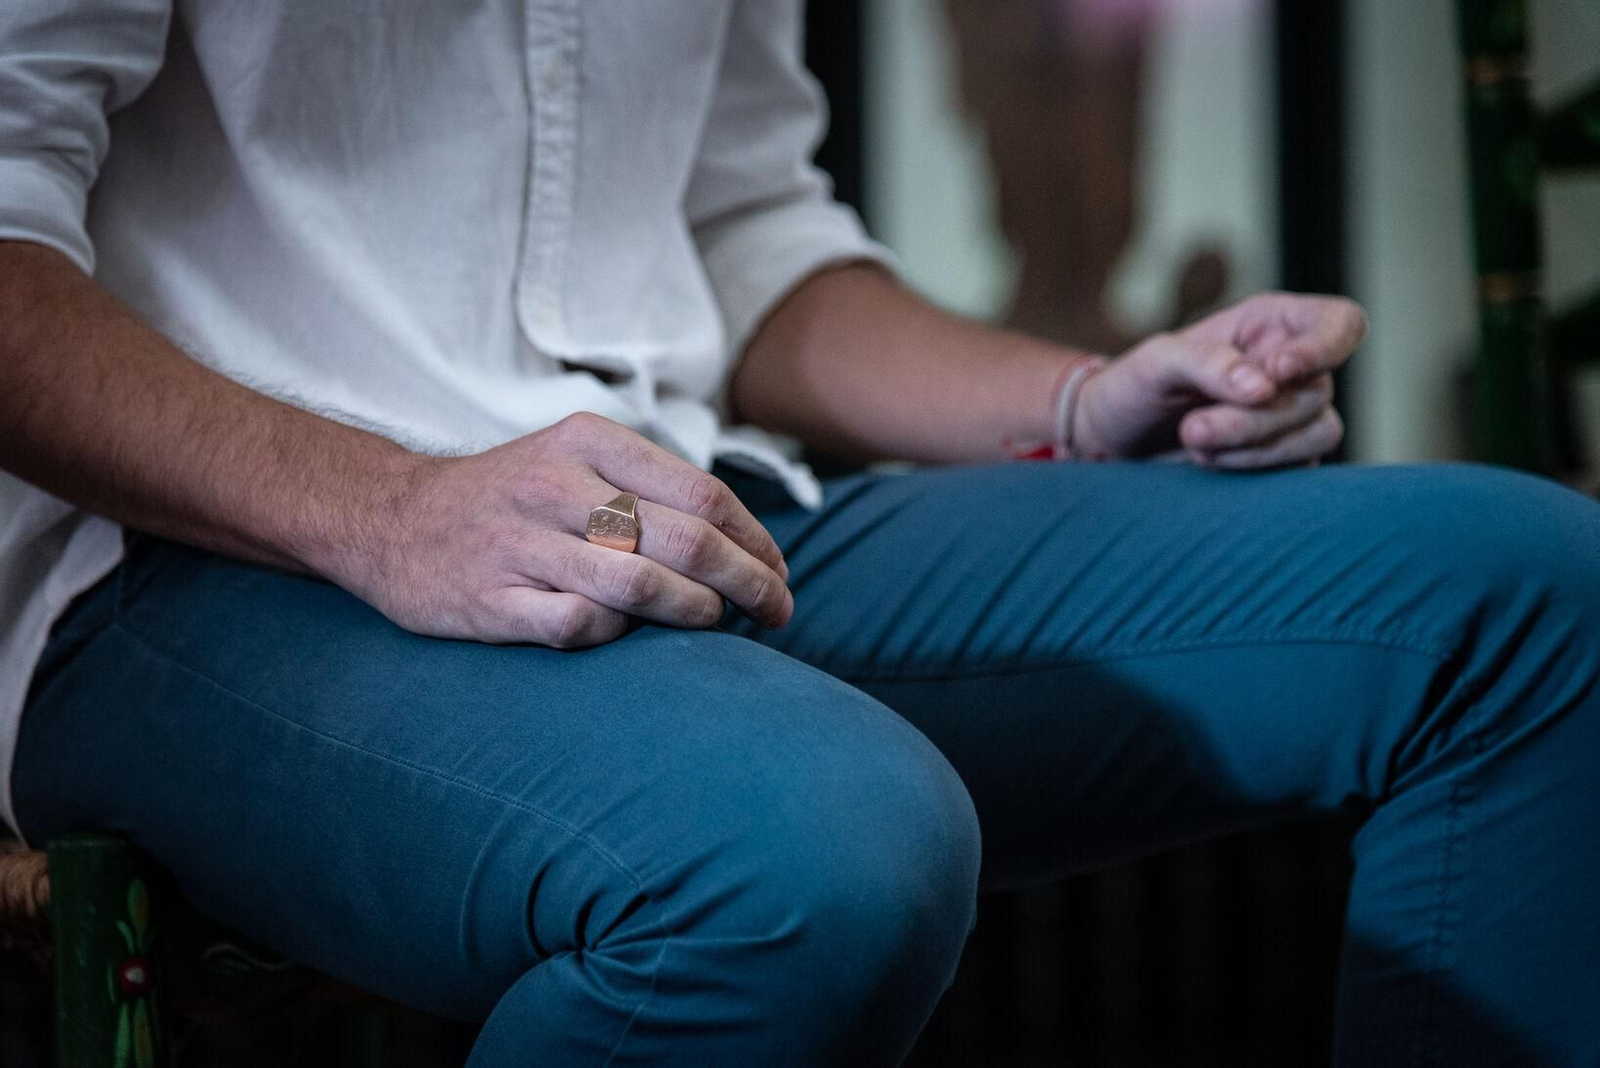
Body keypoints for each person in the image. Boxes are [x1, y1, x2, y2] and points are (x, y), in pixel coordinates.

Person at [1, 3, 1595, 1065]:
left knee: (1523, 603)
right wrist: (396, 510)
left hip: (701, 502)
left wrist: (1086, 392)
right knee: (800, 861)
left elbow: (743, 235)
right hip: (206, 558)